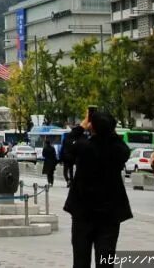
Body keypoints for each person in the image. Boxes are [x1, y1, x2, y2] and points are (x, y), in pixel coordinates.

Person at [63, 110, 132, 268]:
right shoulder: (118, 150)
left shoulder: (84, 146)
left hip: (83, 212)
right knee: (106, 259)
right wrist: (108, 129)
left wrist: (81, 127)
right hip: (110, 213)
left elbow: (68, 145)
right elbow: (124, 148)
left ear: (92, 127)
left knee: (81, 259)